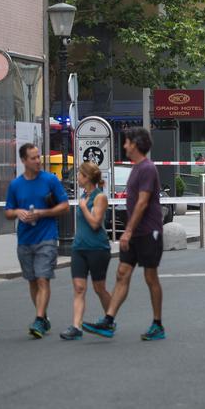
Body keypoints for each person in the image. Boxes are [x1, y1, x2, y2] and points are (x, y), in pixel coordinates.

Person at [83, 127, 165, 341]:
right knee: (122, 273)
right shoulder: (136, 168)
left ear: (135, 144)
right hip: (136, 232)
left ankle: (157, 324)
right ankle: (108, 321)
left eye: (127, 142)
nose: (125, 145)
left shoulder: (147, 168)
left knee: (150, 276)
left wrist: (127, 231)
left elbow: (143, 201)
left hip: (149, 231)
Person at [5, 143, 70, 338]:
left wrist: (42, 213)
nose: (38, 161)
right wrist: (18, 212)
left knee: (43, 278)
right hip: (25, 239)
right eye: (33, 158)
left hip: (47, 237)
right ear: (24, 161)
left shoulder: (50, 180)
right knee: (32, 281)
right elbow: (8, 211)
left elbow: (65, 206)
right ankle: (42, 317)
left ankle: (39, 318)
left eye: (38, 157)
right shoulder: (15, 185)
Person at [60, 162, 112, 340]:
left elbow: (95, 223)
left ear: (87, 177)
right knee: (79, 288)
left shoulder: (99, 198)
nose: (77, 178)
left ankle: (109, 318)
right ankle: (76, 327)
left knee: (99, 288)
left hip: (97, 248)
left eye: (80, 174)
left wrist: (83, 207)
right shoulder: (83, 195)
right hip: (79, 248)